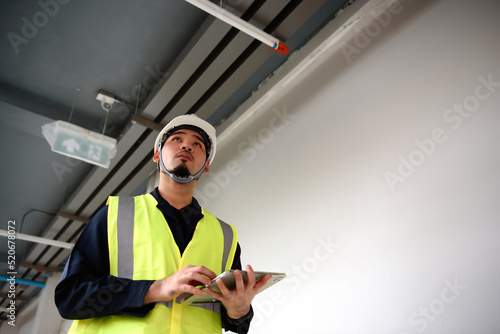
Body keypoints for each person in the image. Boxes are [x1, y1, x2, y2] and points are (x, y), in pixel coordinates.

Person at [55, 114, 271, 333]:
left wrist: (239, 310)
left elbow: (234, 319)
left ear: (206, 166)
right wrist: (154, 289)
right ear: (157, 155)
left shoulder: (225, 236)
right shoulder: (114, 216)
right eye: (177, 139)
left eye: (197, 144)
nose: (187, 145)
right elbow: (70, 297)